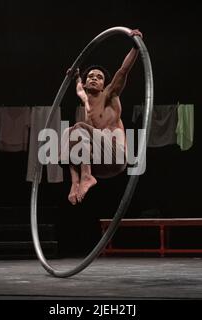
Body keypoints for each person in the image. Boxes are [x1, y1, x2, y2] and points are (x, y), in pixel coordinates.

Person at [62, 29, 143, 205]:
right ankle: (76, 182)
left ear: (103, 85)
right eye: (90, 76)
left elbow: (123, 71)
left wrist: (135, 46)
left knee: (79, 128)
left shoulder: (109, 95)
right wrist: (75, 76)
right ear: (85, 82)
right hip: (99, 162)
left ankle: (86, 177)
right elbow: (78, 88)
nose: (94, 79)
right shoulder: (85, 98)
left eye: (99, 78)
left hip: (116, 156)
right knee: (68, 133)